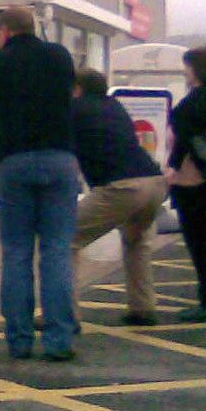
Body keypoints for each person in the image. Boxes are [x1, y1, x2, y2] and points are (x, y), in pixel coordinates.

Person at [0, 6, 77, 361]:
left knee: (17, 252)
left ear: (4, 31)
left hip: (14, 160)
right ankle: (60, 339)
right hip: (59, 158)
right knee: (57, 250)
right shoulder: (60, 57)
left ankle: (19, 339)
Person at [70, 68, 168, 327]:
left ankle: (63, 313)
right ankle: (143, 307)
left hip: (122, 187)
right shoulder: (115, 107)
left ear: (78, 88)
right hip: (154, 183)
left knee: (64, 238)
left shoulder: (76, 109)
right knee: (137, 241)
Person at [165, 45, 206, 322]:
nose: (184, 71)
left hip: (194, 180)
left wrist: (173, 168)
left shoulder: (195, 102)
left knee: (200, 242)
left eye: (187, 66)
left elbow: (184, 138)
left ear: (196, 69)